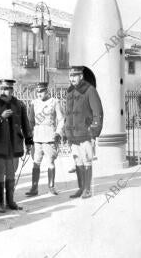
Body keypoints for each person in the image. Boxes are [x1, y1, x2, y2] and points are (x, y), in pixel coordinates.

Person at [0, 79, 33, 212]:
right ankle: (0, 203)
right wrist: (0, 117)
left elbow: (25, 124)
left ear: (12, 90)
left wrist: (29, 141)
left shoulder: (19, 104)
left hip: (14, 145)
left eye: (7, 89)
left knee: (11, 174)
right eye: (2, 89)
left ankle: (10, 201)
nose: (4, 91)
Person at [64, 66, 103, 199]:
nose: (72, 78)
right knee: (78, 162)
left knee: (87, 161)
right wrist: (66, 131)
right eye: (70, 76)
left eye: (75, 76)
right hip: (73, 135)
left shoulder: (90, 90)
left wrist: (94, 132)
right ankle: (80, 188)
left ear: (81, 76)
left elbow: (98, 112)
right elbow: (67, 115)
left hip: (86, 134)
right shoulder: (69, 92)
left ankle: (87, 189)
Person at [26, 82, 64, 196]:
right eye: (37, 92)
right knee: (36, 162)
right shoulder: (34, 103)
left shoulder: (54, 102)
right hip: (37, 137)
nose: (39, 94)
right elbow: (31, 121)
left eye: (41, 91)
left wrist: (58, 132)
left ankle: (51, 187)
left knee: (51, 162)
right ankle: (34, 188)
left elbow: (61, 119)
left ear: (47, 91)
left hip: (49, 136)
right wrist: (29, 135)